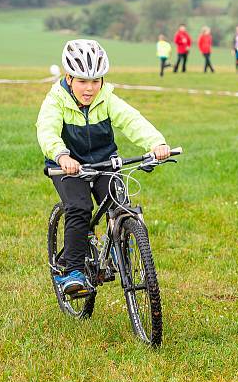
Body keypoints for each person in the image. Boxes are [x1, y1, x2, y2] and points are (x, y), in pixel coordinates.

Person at [36, 39, 171, 294]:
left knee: (120, 204)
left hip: (104, 161)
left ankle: (123, 250)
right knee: (79, 207)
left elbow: (132, 120)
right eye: (82, 81)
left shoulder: (107, 98)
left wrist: (156, 143)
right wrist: (62, 156)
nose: (90, 89)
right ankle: (73, 271)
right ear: (69, 78)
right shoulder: (56, 100)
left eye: (96, 81)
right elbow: (47, 131)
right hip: (67, 165)